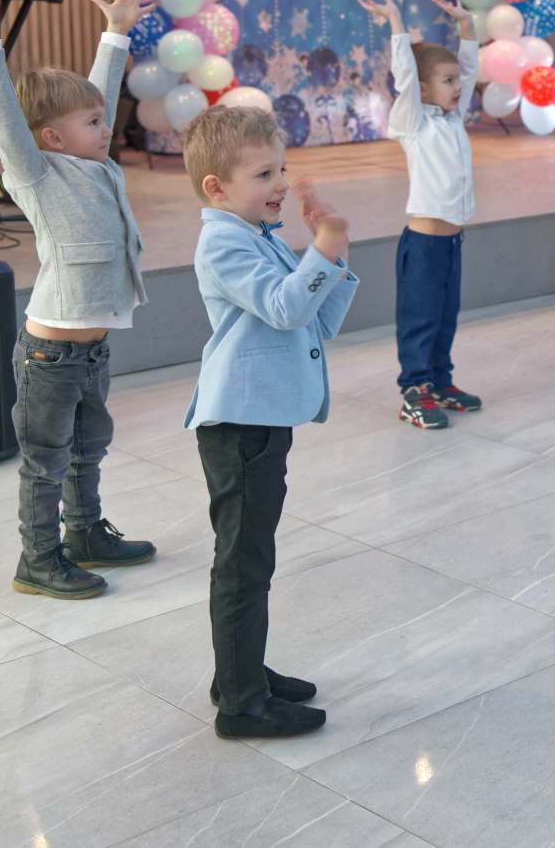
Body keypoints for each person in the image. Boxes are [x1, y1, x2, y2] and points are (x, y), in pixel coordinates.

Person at [0, 0, 159, 601]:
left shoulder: (93, 163)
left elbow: (100, 94)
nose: (105, 127)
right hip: (50, 354)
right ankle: (37, 559)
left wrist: (116, 33)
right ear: (52, 138)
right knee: (45, 461)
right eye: (92, 122)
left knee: (88, 448)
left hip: (90, 350)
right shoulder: (35, 173)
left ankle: (85, 533)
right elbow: (2, 115)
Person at [182, 105, 358, 739]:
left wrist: (332, 254)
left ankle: (240, 671)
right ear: (217, 187)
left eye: (281, 169)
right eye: (264, 174)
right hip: (239, 426)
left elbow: (316, 320)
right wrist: (322, 249)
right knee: (245, 562)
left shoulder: (257, 233)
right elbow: (285, 309)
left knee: (253, 556)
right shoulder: (223, 242)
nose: (281, 184)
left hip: (260, 422)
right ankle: (241, 705)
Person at [360, 0, 483, 430]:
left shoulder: (452, 118)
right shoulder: (414, 122)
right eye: (447, 81)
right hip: (424, 245)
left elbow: (469, 67)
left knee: (445, 318)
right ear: (424, 89)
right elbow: (405, 76)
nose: (458, 87)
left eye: (456, 81)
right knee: (420, 320)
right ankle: (415, 392)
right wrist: (396, 22)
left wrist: (466, 25)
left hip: (451, 242)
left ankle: (440, 382)